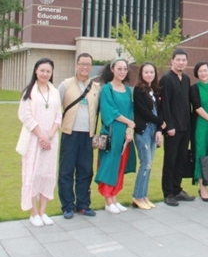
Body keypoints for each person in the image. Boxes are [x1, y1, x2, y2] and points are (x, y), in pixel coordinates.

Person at [18, 58, 62, 227]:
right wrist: (41, 136)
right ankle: (34, 213)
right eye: (42, 70)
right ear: (36, 71)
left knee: (47, 174)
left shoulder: (54, 92)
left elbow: (58, 116)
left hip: (51, 140)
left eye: (48, 71)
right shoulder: (29, 92)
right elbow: (25, 116)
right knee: (32, 174)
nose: (45, 74)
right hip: (33, 140)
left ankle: (43, 211)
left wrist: (49, 136)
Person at [58, 53, 101, 219]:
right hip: (70, 133)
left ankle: (83, 204)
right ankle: (67, 206)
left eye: (88, 64)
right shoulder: (65, 85)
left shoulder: (96, 87)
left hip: (88, 135)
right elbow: (55, 109)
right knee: (66, 170)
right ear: (76, 65)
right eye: (82, 64)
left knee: (85, 171)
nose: (85, 67)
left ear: (91, 67)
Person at [94, 57, 137, 214]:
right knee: (109, 165)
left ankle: (114, 198)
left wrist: (129, 130)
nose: (122, 72)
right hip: (111, 132)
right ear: (112, 69)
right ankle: (108, 200)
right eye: (119, 68)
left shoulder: (127, 90)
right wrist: (128, 122)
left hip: (124, 133)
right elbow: (109, 112)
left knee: (120, 165)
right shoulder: (107, 89)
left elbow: (131, 111)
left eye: (125, 69)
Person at [160, 49, 196, 206]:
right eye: (178, 60)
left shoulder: (186, 79)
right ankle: (168, 192)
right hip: (172, 128)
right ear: (172, 61)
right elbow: (165, 104)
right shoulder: (166, 79)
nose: (181, 63)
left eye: (183, 60)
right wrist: (169, 126)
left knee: (181, 160)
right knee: (170, 161)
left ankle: (177, 189)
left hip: (185, 127)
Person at [132, 62, 165, 210]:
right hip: (143, 131)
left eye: (152, 72)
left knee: (150, 165)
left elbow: (160, 111)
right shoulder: (138, 90)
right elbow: (144, 111)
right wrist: (161, 122)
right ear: (141, 74)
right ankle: (137, 197)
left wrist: (159, 129)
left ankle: (144, 196)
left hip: (153, 130)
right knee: (145, 163)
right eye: (146, 72)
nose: (149, 74)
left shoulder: (156, 91)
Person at [189, 61, 208, 202]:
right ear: (197, 73)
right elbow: (197, 107)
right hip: (200, 126)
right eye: (200, 71)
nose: (203, 73)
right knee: (201, 154)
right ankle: (202, 186)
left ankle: (207, 184)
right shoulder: (194, 88)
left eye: (205, 70)